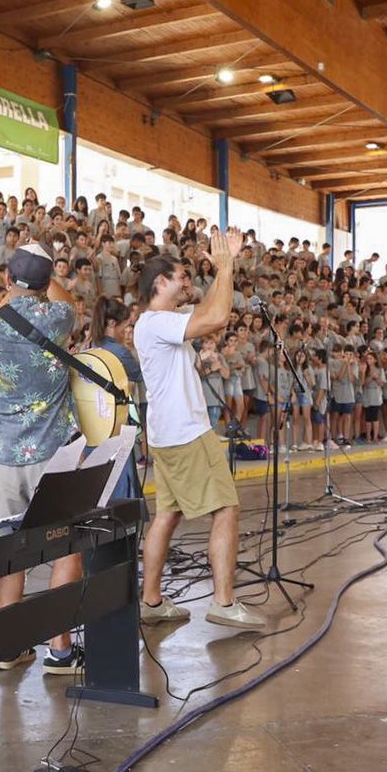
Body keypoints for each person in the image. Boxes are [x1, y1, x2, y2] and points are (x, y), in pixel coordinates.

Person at [134, 227, 263, 630]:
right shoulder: (156, 322)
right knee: (226, 508)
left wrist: (224, 270)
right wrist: (226, 267)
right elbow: (218, 316)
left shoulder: (162, 320)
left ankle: (151, 601)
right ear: (160, 283)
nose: (189, 282)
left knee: (167, 515)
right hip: (187, 433)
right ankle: (223, 603)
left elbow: (207, 314)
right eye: (182, 278)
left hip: (167, 434)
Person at [0, 243, 90, 674]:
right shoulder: (59, 317)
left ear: (7, 279)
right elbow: (67, 300)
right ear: (45, 282)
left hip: (6, 459)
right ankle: (60, 649)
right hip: (54, 455)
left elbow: (10, 298)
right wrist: (46, 272)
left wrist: (18, 279)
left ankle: (9, 646)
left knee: (11, 550)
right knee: (64, 548)